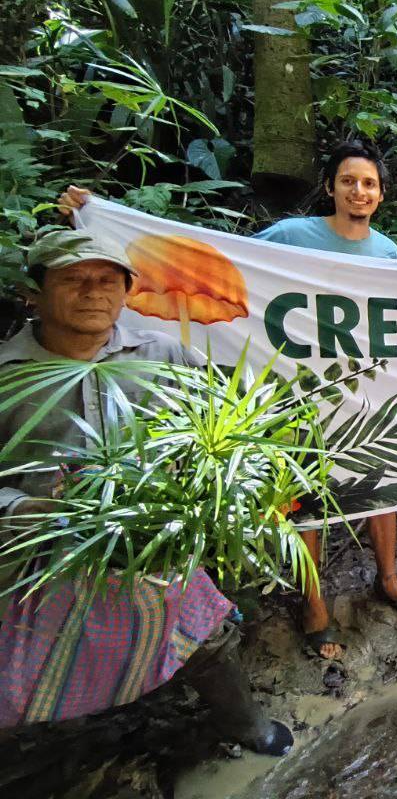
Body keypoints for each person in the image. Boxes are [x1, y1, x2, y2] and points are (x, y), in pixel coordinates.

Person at [58, 142, 397, 662]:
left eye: (369, 184)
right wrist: (100, 220)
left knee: (381, 488)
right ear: (330, 187)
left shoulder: (387, 252)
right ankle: (314, 604)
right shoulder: (291, 236)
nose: (358, 191)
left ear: (381, 195)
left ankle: (387, 579)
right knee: (307, 504)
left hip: (361, 391)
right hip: (296, 391)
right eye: (349, 181)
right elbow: (227, 265)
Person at [0, 231, 292, 755]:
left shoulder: (164, 355)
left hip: (157, 546)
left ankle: (246, 726)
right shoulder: (7, 375)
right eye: (73, 279)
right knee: (23, 667)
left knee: (206, 639)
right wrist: (29, 507)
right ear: (34, 293)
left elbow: (226, 425)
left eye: (108, 281)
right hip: (45, 560)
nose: (93, 292)